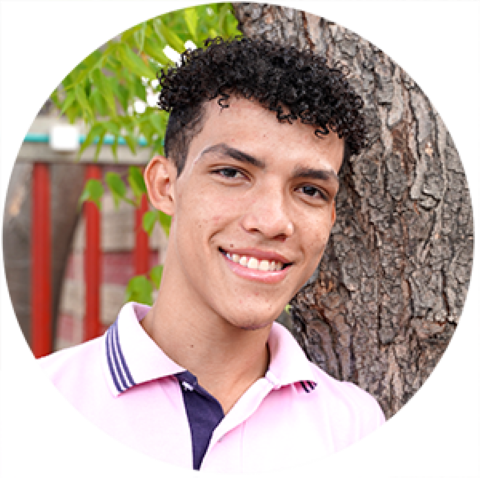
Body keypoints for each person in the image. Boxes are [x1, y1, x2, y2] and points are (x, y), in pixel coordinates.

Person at [35, 36, 386, 474]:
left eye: (309, 190)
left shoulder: (353, 426)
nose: (273, 220)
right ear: (165, 187)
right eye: (232, 173)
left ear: (331, 215)